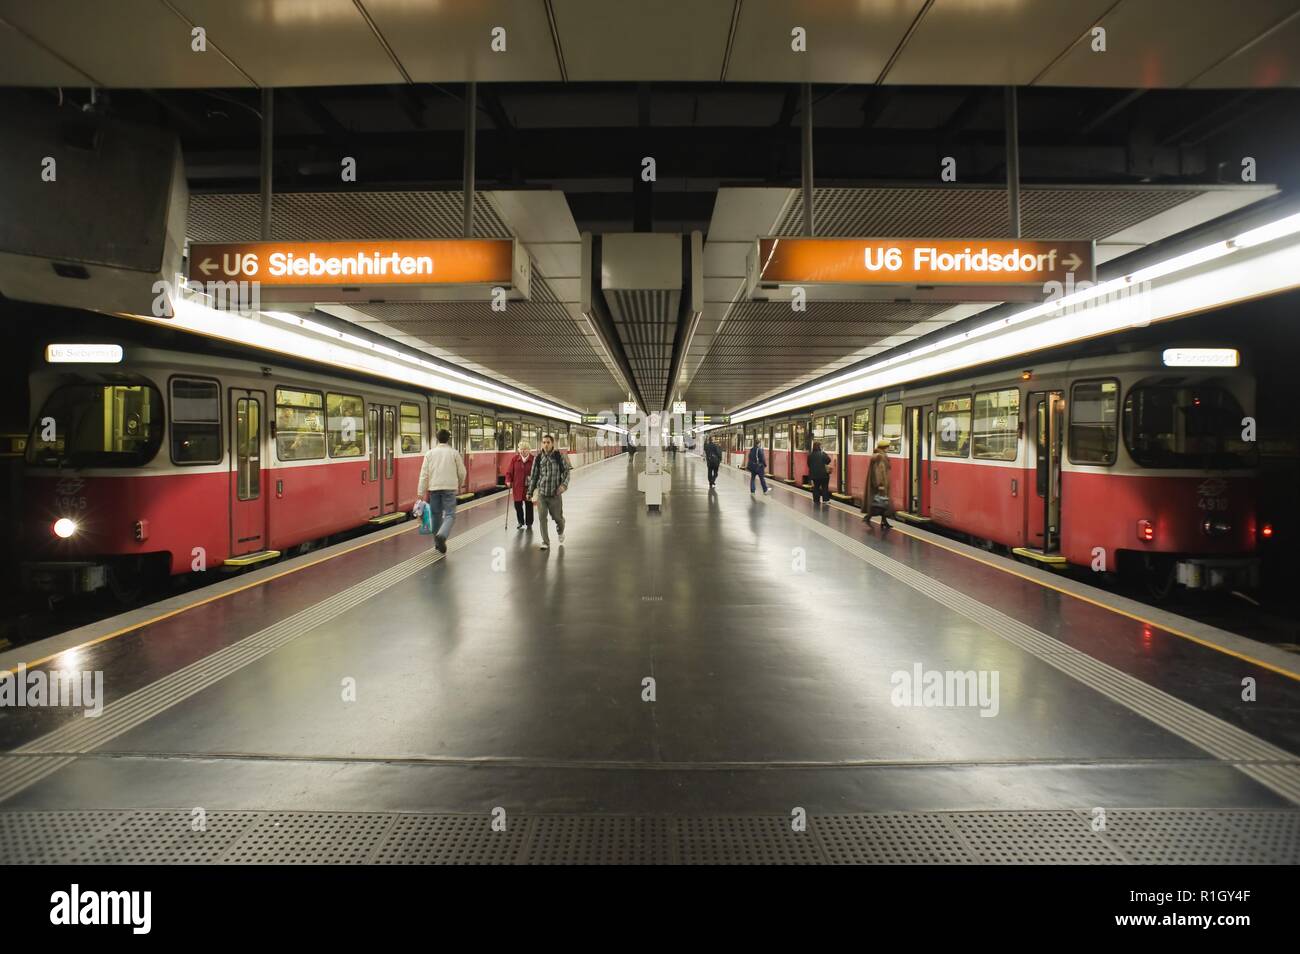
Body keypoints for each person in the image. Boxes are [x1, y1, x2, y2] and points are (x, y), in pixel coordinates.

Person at [415, 428, 467, 554]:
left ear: (437, 439)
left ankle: (437, 544)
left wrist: (420, 492)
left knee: (435, 515)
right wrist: (460, 484)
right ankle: (442, 536)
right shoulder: (454, 453)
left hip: (434, 489)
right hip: (449, 488)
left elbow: (424, 474)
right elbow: (462, 472)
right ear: (448, 439)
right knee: (450, 514)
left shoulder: (430, 454)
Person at [526, 432, 571, 550]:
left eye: (548, 443)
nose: (545, 445)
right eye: (544, 442)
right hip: (542, 494)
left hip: (555, 494)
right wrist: (530, 492)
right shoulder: (538, 458)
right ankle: (545, 542)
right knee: (542, 517)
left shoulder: (559, 457)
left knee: (558, 518)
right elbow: (534, 476)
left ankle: (560, 530)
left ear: (552, 444)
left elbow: (566, 472)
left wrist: (563, 486)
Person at [862, 437, 893, 532]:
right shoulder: (881, 457)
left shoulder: (878, 455)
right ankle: (868, 517)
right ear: (884, 448)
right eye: (888, 447)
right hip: (880, 484)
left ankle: (883, 521)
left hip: (878, 483)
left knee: (882, 503)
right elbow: (879, 471)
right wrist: (881, 484)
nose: (889, 448)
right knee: (880, 503)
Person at [505, 440, 535, 531]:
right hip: (517, 487)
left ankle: (529, 522)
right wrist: (508, 481)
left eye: (525, 449)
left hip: (529, 487)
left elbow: (537, 473)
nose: (522, 451)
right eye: (521, 449)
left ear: (529, 450)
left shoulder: (533, 459)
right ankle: (520, 522)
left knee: (529, 505)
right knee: (517, 505)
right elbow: (509, 472)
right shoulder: (515, 459)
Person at [808, 441, 831, 506]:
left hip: (814, 475)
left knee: (816, 487)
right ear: (820, 447)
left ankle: (816, 500)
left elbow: (809, 464)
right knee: (825, 487)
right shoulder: (822, 454)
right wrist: (824, 452)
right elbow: (828, 460)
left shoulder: (810, 455)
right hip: (824, 474)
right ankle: (825, 500)